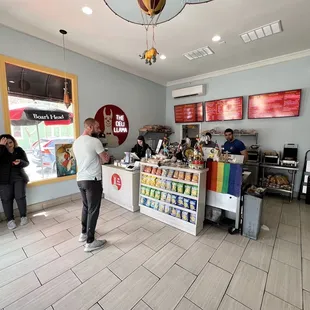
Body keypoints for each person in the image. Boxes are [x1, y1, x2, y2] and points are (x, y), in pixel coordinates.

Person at [73, 118, 110, 252]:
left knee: (86, 207)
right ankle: (90, 242)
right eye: (97, 127)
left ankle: (83, 233)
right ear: (89, 127)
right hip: (92, 180)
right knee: (93, 210)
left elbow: (87, 159)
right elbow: (105, 159)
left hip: (80, 179)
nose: (99, 130)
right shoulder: (95, 141)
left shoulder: (76, 142)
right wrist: (106, 155)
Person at [0, 134, 29, 230]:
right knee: (6, 199)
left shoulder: (19, 150)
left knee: (20, 197)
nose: (9, 145)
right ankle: (10, 220)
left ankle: (23, 216)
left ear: (14, 142)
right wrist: (1, 147)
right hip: (4, 180)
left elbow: (26, 163)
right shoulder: (1, 151)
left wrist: (20, 162)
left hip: (19, 178)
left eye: (10, 142)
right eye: (6, 143)